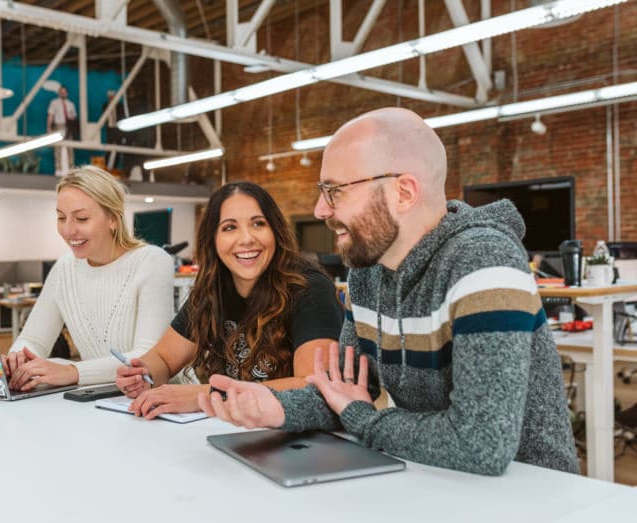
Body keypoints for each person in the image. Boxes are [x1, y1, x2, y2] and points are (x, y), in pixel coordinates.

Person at [199, 108, 579, 476]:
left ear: (404, 192)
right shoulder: (367, 273)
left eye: (334, 191)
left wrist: (365, 419)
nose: (320, 210)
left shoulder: (483, 258)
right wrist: (273, 406)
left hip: (530, 495)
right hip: (433, 479)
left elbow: (480, 443)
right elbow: (344, 391)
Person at [116, 182, 344, 419]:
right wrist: (143, 375)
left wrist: (207, 396)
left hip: (299, 440)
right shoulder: (212, 290)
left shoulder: (308, 287)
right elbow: (163, 358)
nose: (246, 239)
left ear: (275, 232)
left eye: (258, 224)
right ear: (213, 239)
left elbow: (313, 388)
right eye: (229, 227)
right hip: (234, 433)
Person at [4, 165, 174, 391]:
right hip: (104, 399)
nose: (68, 230)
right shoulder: (65, 268)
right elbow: (34, 340)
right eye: (61, 218)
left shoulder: (152, 261)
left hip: (164, 400)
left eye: (82, 219)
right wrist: (18, 359)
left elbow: (147, 357)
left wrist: (73, 371)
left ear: (113, 218)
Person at [46, 84, 77, 175]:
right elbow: (50, 115)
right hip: (58, 126)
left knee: (70, 147)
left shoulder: (71, 104)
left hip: (69, 127)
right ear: (59, 93)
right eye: (61, 92)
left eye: (64, 92)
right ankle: (58, 168)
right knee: (58, 148)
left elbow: (74, 117)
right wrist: (49, 127)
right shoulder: (54, 102)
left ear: (67, 93)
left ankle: (71, 169)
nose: (63, 94)